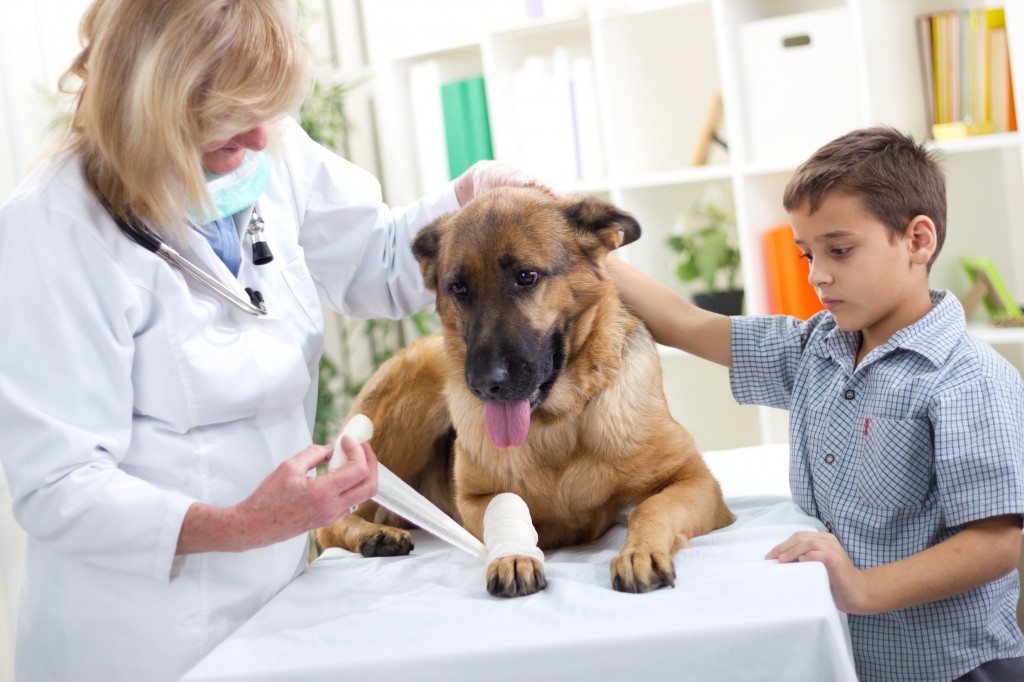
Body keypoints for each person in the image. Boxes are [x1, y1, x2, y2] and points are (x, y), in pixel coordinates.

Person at [0, 1, 548, 680]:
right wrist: (239, 524)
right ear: (153, 109)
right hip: (140, 638)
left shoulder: (263, 147)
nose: (262, 142)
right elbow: (60, 486)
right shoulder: (52, 229)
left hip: (280, 601)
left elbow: (379, 260)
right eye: (231, 125)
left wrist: (468, 197)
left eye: (267, 116)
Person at [608, 126, 1024, 682]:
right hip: (847, 655)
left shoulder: (969, 380)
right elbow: (687, 323)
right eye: (806, 254)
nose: (816, 275)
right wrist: (570, 235)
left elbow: (995, 543)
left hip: (952, 668)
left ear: (918, 241)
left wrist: (862, 589)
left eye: (840, 250)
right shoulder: (816, 347)